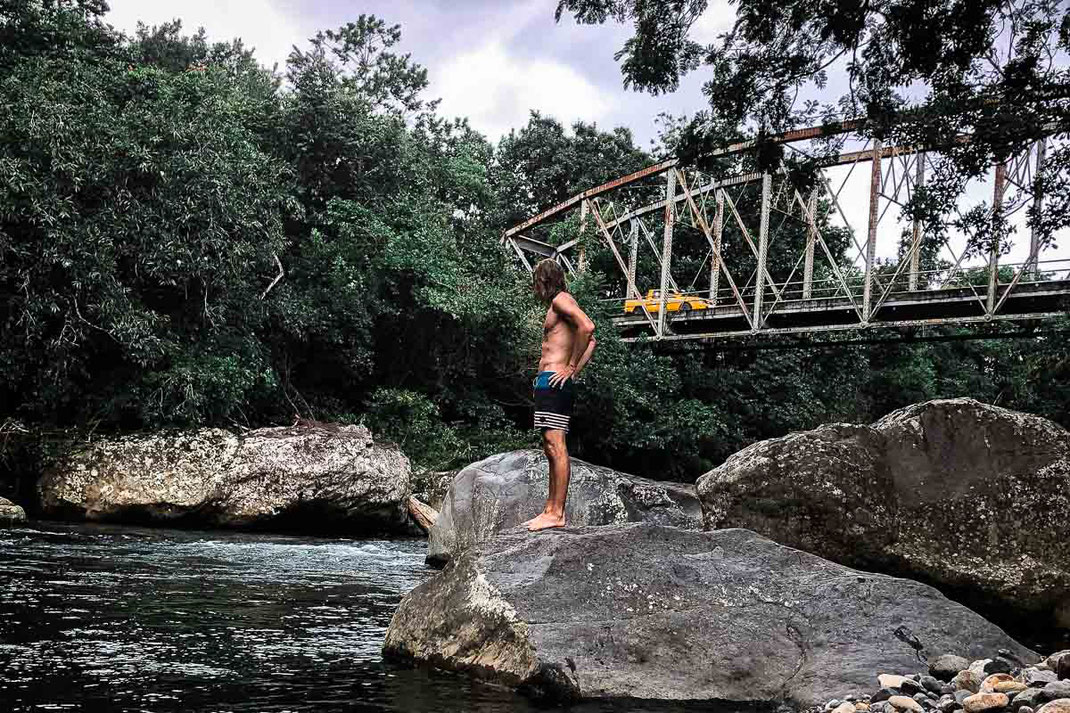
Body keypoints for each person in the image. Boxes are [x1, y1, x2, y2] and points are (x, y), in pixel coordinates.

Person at [525, 258, 597, 532]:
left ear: (543, 281)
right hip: (549, 383)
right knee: (549, 446)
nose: (535, 289)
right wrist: (574, 369)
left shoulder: (560, 301)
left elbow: (588, 329)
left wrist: (569, 368)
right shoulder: (563, 302)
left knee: (556, 447)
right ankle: (549, 510)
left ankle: (557, 513)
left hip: (554, 382)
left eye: (535, 283)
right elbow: (592, 341)